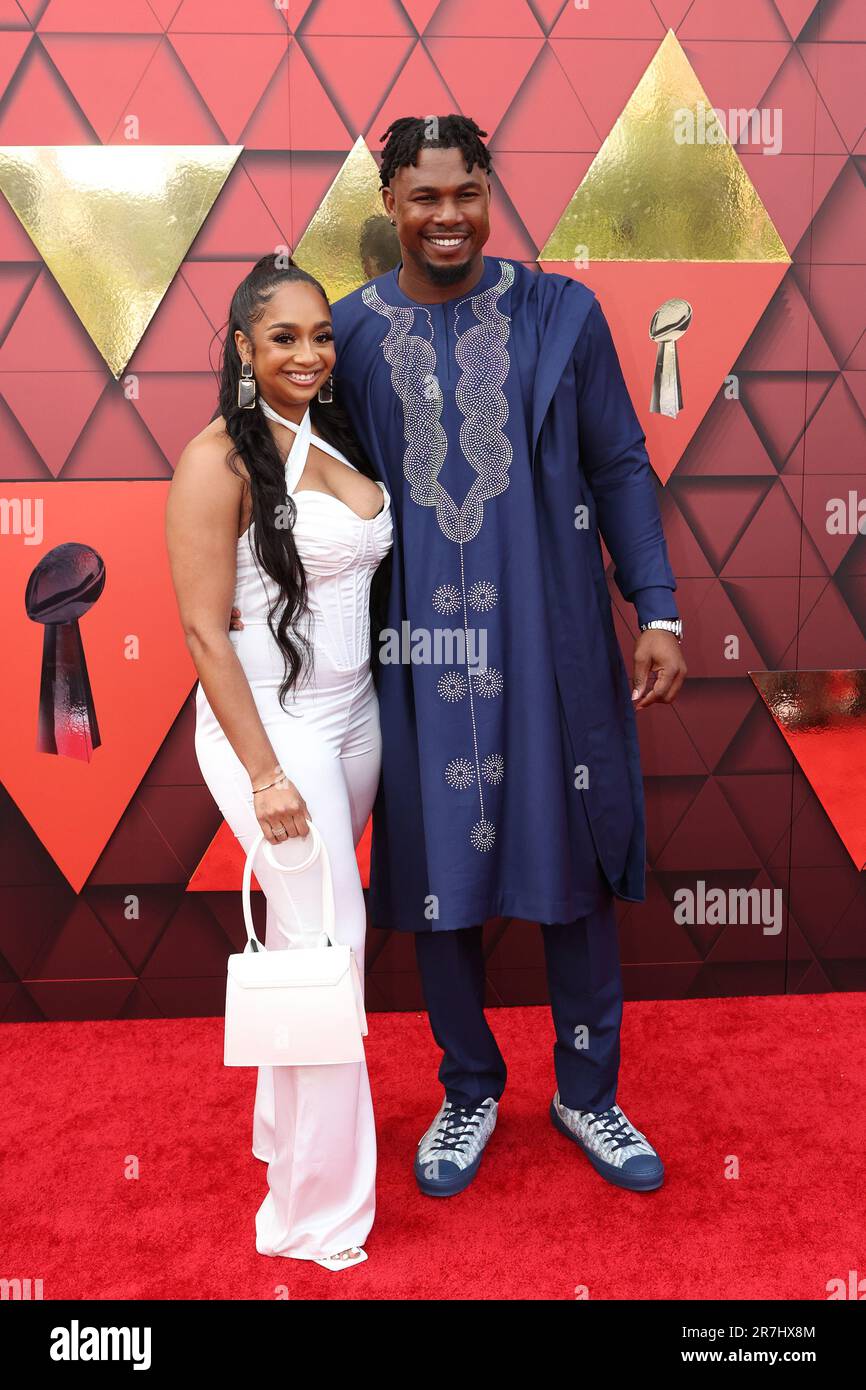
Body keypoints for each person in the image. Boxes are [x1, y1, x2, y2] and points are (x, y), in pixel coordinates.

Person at [233, 115, 687, 1198]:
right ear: (387, 203)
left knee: (571, 852)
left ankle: (586, 1089)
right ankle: (467, 1087)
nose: (447, 217)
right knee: (438, 867)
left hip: (552, 640)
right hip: (413, 652)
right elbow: (269, 459)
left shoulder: (559, 315)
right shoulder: (343, 335)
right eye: (423, 197)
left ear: (488, 194)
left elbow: (619, 464)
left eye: (465, 193)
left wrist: (658, 607)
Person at [165, 256, 392, 1268]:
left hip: (355, 722)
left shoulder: (333, 431)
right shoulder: (217, 457)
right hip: (270, 731)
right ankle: (314, 1213)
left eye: (320, 335)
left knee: (311, 945)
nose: (307, 353)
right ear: (242, 348)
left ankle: (283, 1135)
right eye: (284, 338)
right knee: (329, 951)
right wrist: (263, 774)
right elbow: (204, 632)